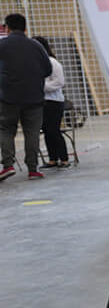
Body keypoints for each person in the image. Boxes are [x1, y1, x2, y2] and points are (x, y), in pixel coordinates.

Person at [0, 12, 51, 182]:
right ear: (25, 27)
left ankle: (8, 165)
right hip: (34, 97)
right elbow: (48, 69)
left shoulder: (2, 45)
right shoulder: (36, 46)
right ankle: (33, 169)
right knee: (32, 133)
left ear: (6, 28)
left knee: (6, 130)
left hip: (8, 97)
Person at [34, 36, 69, 168]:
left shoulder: (53, 62)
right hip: (41, 101)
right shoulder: (36, 62)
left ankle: (64, 158)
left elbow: (59, 82)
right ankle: (52, 159)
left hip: (54, 101)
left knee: (54, 130)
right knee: (47, 131)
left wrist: (41, 86)